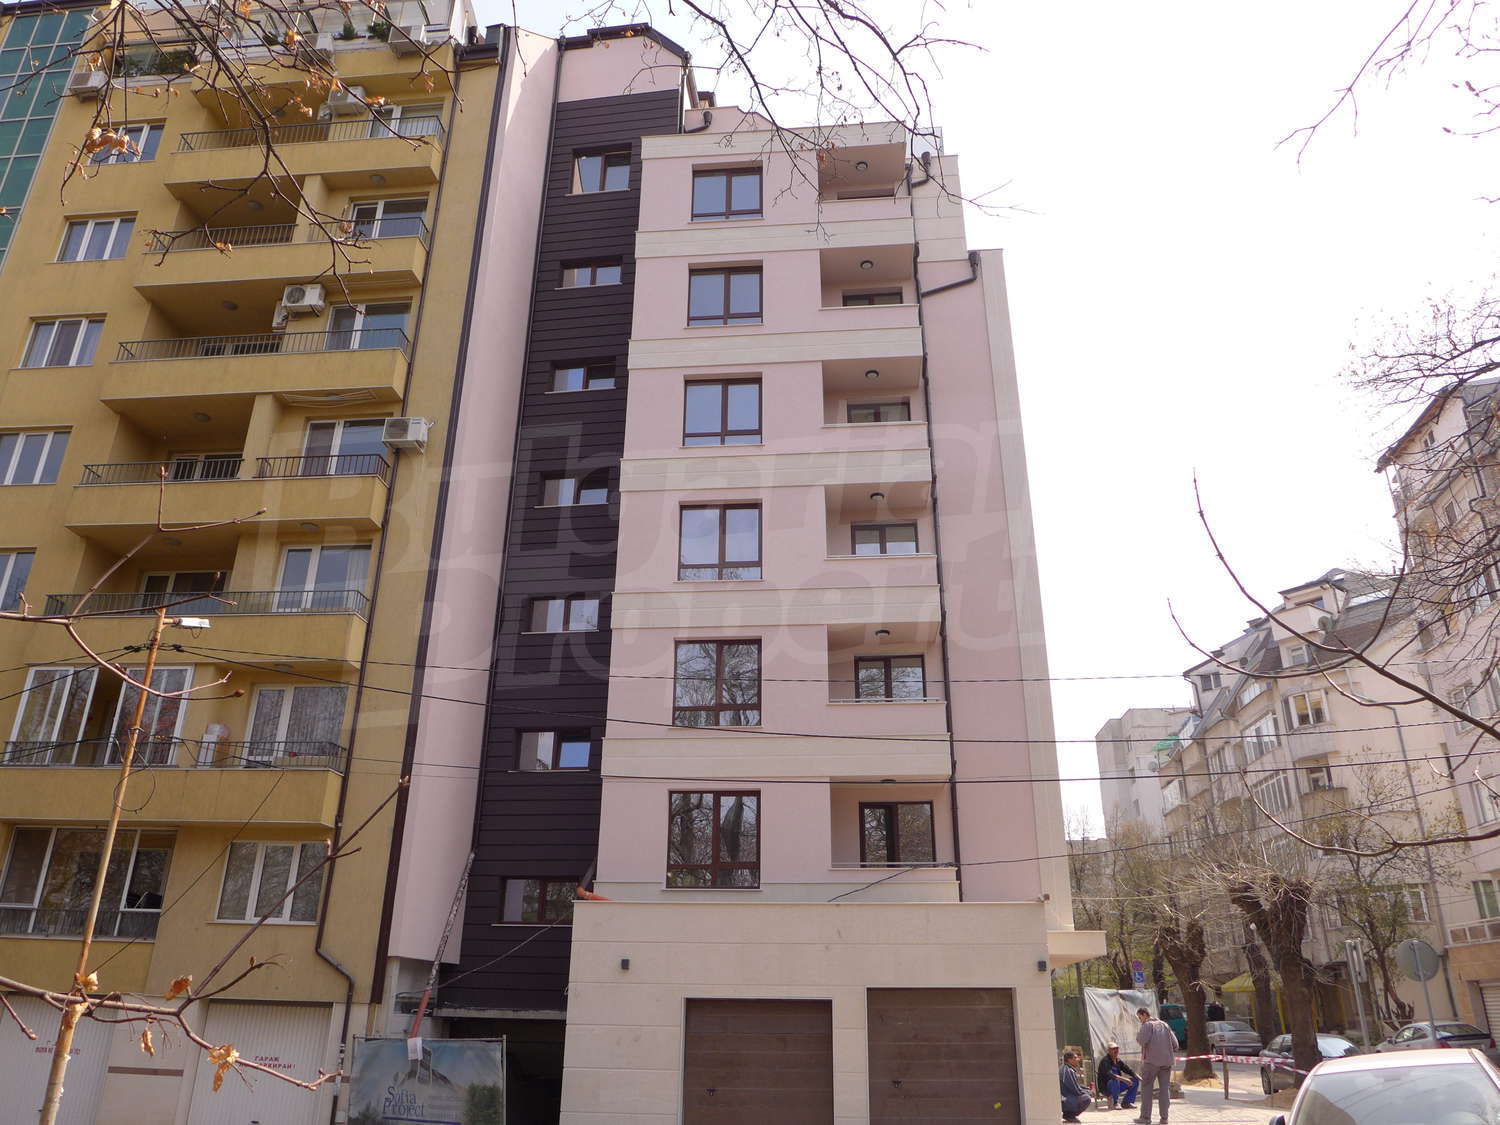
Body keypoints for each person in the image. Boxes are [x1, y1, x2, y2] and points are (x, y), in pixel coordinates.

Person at [1135, 1006, 1178, 1125]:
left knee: (1147, 1089)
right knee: (1164, 1089)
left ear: (1144, 1015)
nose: (1140, 1020)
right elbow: (1175, 1044)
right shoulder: (1165, 1025)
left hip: (1151, 1063)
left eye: (1140, 1017)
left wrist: (1139, 1033)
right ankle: (1164, 1118)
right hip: (1166, 1063)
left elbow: (1141, 1040)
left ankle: (1145, 1117)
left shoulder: (1147, 1025)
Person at [1096, 1042, 1139, 1111]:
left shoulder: (1118, 1060)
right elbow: (1111, 1075)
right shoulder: (1105, 1061)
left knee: (1135, 1081)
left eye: (1117, 1048)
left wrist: (1136, 1075)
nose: (1116, 1050)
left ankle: (1127, 1102)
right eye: (1113, 1049)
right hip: (1106, 1087)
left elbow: (1127, 1069)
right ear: (1109, 1051)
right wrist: (1125, 1079)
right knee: (1115, 1080)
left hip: (1117, 1086)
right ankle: (1115, 1103)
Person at [1060, 1049, 1092, 1122]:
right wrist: (1088, 1092)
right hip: (1065, 1099)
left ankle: (1068, 1114)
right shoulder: (1067, 1071)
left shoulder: (1066, 1068)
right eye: (1075, 1058)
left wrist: (1086, 1089)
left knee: (1086, 1092)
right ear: (1069, 1060)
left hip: (1066, 1097)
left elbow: (1076, 1085)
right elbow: (1075, 1089)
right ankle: (1069, 1115)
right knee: (1086, 1098)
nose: (1078, 1059)